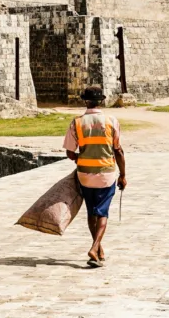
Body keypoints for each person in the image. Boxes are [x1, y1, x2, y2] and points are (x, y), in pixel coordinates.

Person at [63, 85, 127, 268]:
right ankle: (94, 247)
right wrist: (123, 175)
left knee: (92, 211)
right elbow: (119, 151)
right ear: (101, 101)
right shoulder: (111, 121)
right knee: (103, 213)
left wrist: (79, 158)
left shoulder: (77, 123)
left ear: (85, 101)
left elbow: (69, 152)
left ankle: (98, 250)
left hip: (84, 174)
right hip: (106, 174)